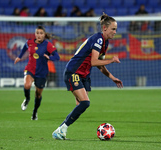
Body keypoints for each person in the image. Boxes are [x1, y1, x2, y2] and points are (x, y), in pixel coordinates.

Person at [52, 12, 123, 140]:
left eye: (116, 29)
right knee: (85, 103)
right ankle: (60, 130)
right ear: (104, 28)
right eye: (113, 29)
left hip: (84, 75)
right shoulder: (98, 39)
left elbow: (100, 65)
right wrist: (111, 60)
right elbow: (94, 62)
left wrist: (113, 78)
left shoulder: (105, 43)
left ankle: (61, 130)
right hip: (73, 72)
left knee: (82, 105)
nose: (115, 32)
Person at [14, 25, 60, 120]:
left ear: (44, 35)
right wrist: (19, 56)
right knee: (27, 85)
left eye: (41, 33)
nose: (39, 35)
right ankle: (27, 99)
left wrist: (49, 57)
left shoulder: (48, 45)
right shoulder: (30, 42)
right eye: (37, 33)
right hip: (30, 69)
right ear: (35, 34)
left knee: (38, 94)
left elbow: (57, 56)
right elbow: (24, 48)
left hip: (41, 72)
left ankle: (34, 112)